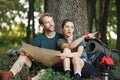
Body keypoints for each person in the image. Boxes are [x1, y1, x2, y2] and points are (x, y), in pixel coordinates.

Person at [0, 13, 63, 80]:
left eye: (52, 21)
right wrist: (26, 52)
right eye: (47, 22)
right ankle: (9, 75)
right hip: (37, 64)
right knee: (23, 56)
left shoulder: (60, 38)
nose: (51, 24)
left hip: (53, 68)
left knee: (43, 72)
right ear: (42, 26)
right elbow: (32, 54)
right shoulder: (39, 38)